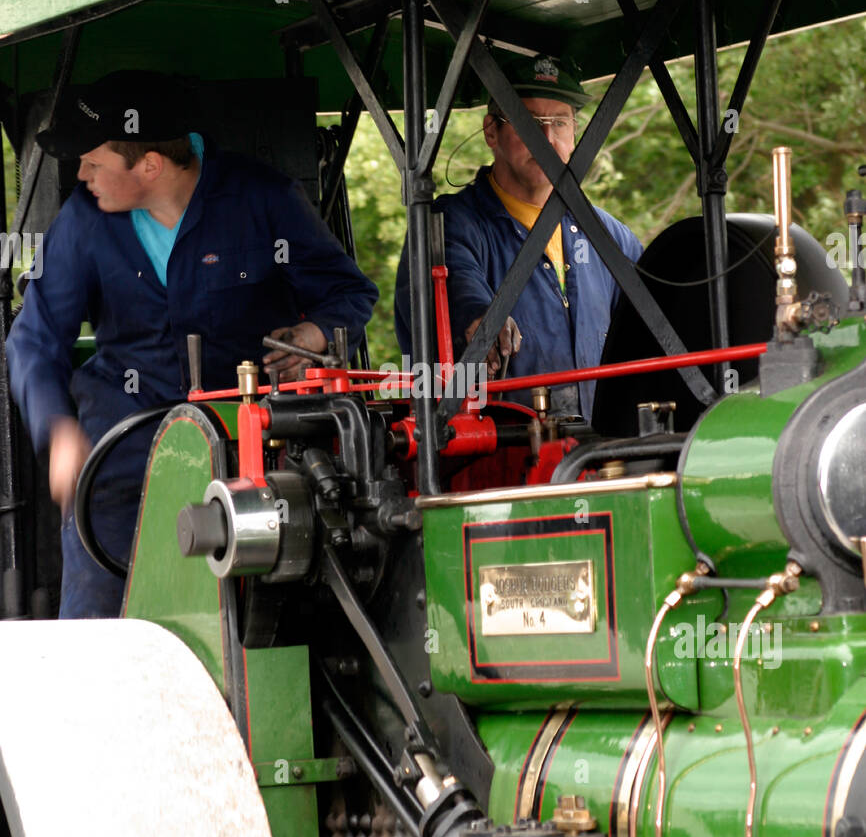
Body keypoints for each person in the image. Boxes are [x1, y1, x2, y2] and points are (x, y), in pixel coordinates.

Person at [8, 70, 378, 619]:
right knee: (99, 632)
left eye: (93, 161)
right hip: (117, 459)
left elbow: (349, 291)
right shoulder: (84, 220)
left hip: (248, 458)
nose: (80, 174)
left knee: (253, 627)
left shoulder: (264, 199)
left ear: (150, 166)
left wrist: (314, 332)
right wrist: (58, 430)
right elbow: (34, 340)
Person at [394, 53, 642, 419]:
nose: (546, 137)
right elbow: (455, 287)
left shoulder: (612, 238)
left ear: (575, 133)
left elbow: (652, 332)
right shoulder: (449, 224)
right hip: (497, 461)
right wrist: (481, 322)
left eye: (559, 122)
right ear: (491, 131)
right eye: (528, 121)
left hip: (599, 457)